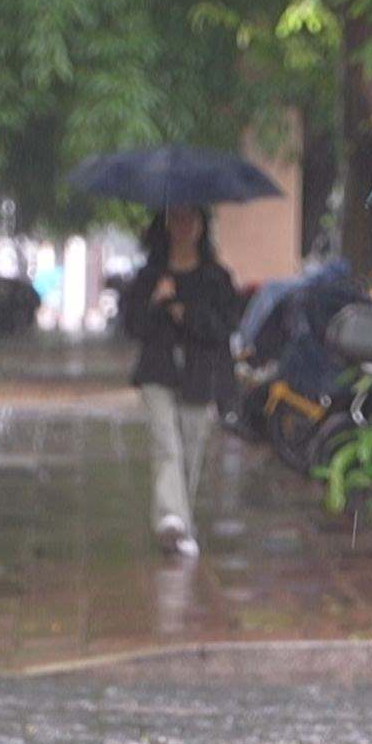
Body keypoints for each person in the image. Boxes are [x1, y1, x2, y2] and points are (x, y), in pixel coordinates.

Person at [120, 206, 238, 557]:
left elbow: (224, 327)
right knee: (166, 446)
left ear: (201, 226)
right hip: (158, 372)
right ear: (166, 224)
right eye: (177, 218)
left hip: (199, 375)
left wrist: (186, 313)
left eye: (191, 218)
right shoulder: (150, 275)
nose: (183, 225)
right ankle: (171, 520)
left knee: (190, 450)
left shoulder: (216, 277)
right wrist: (155, 301)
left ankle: (180, 522)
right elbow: (133, 326)